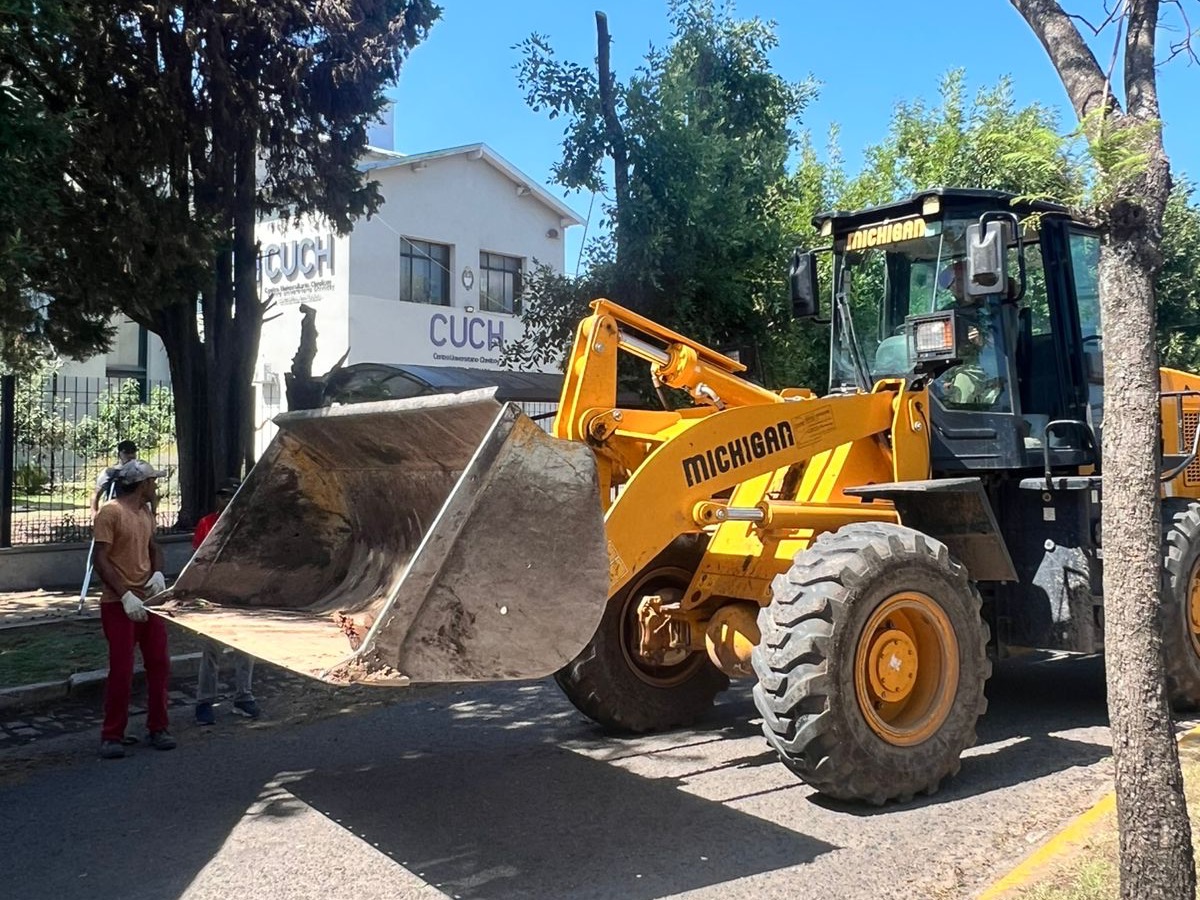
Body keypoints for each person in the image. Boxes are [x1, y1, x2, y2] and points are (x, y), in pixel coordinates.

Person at [91, 459, 176, 759]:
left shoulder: (146, 513)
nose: (156, 487)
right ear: (142, 485)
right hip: (118, 603)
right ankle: (112, 734)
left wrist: (157, 574)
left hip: (149, 602)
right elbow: (99, 560)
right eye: (153, 481)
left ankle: (158, 727)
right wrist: (126, 595)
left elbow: (154, 548)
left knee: (159, 663)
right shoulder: (111, 512)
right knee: (122, 670)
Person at [194, 478, 260, 725]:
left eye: (231, 495)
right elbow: (198, 561)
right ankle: (204, 701)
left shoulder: (248, 526)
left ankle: (244, 696)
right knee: (211, 649)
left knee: (246, 648)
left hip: (242, 594)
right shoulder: (207, 524)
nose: (226, 500)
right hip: (214, 594)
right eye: (222, 495)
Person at [91, 440, 138, 514]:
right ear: (119, 454)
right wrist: (94, 514)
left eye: (133, 452)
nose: (130, 455)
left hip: (135, 511)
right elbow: (96, 494)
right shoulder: (111, 472)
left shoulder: (142, 472)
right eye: (126, 453)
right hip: (115, 511)